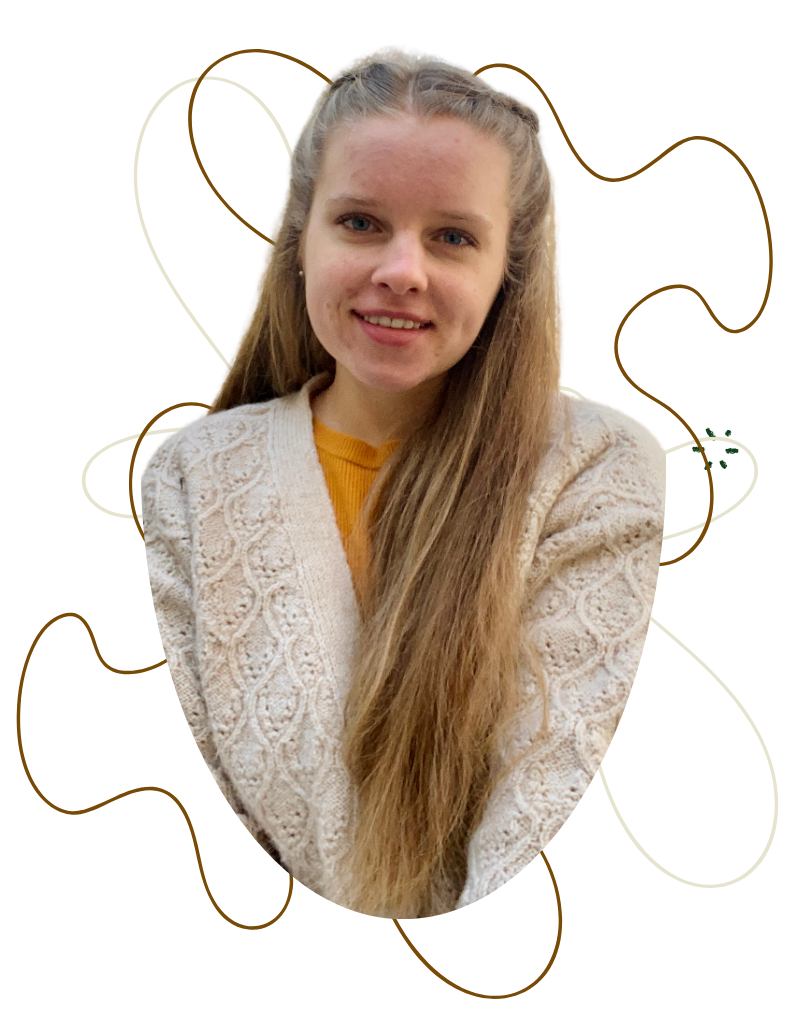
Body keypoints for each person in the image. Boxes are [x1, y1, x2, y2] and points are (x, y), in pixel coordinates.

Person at [140, 45, 667, 919]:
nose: (401, 271)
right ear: (300, 238)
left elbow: (553, 807)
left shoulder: (592, 467)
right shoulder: (193, 474)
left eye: (452, 237)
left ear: (507, 269)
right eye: (360, 222)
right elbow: (204, 809)